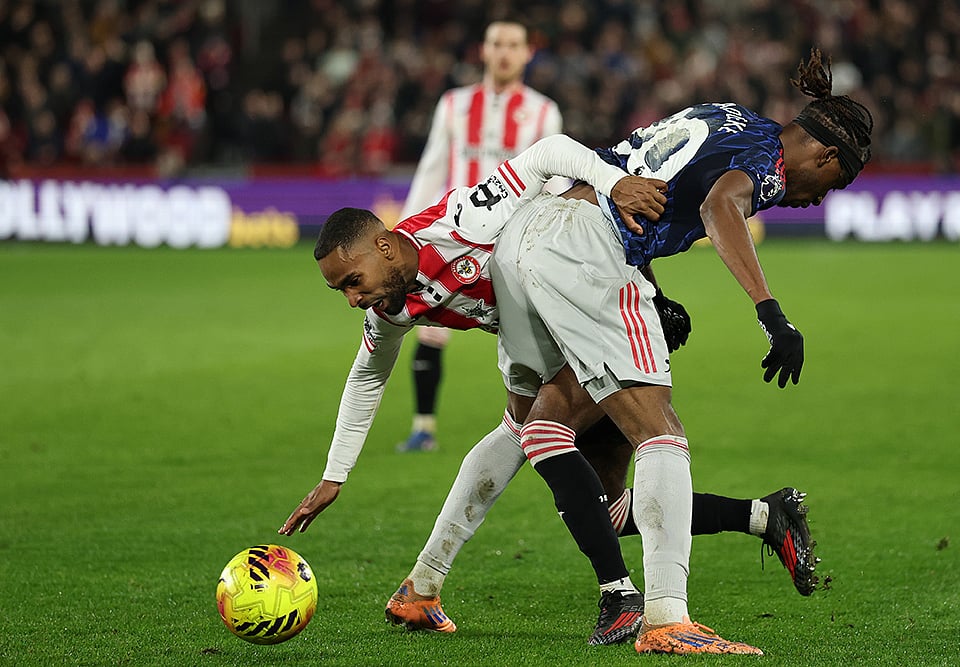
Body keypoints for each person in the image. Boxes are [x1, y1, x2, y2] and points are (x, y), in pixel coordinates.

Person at [278, 133, 816, 645]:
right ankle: (765, 517)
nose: (353, 299)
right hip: (545, 336)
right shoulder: (391, 306)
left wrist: (612, 181)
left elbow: (548, 152)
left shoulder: (463, 220)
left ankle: (630, 600)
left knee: (540, 434)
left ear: (383, 245)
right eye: (341, 290)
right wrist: (334, 476)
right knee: (601, 502)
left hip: (597, 294)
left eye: (352, 281)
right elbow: (367, 376)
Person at [485, 48, 873, 655]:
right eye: (834, 182)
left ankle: (443, 585)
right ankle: (664, 612)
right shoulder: (764, 161)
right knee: (630, 436)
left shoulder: (731, 116)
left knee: (568, 451)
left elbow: (642, 172)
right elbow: (720, 206)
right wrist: (772, 314)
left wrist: (654, 291)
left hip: (570, 234)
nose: (818, 199)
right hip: (586, 259)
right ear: (825, 156)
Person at [396, 20, 563, 453]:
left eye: (513, 45)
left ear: (527, 53)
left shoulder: (544, 112)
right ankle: (423, 426)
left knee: (531, 333)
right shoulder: (454, 105)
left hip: (515, 238)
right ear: (483, 51)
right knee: (428, 325)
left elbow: (554, 180)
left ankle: (542, 426)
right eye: (496, 44)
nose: (504, 52)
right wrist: (403, 232)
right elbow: (432, 167)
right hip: (455, 235)